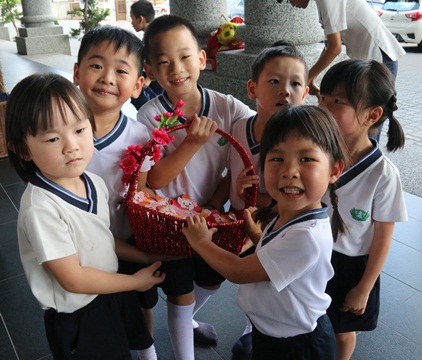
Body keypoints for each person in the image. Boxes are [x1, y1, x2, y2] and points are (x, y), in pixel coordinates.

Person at [5, 73, 165, 360]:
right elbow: (74, 280)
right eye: (53, 138)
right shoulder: (41, 209)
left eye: (79, 130)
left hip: (109, 290)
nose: (71, 146)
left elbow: (103, 237)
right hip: (78, 314)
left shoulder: (92, 181)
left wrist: (144, 256)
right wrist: (136, 282)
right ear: (22, 150)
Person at [182, 104, 348, 360]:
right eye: (277, 158)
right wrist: (260, 237)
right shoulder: (288, 214)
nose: (289, 171)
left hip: (296, 345)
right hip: (273, 332)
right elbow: (278, 263)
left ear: (334, 170)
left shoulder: (306, 236)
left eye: (306, 159)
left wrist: (201, 242)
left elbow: (238, 271)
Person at [137, 14, 255, 360]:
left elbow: (254, 132)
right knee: (180, 296)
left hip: (212, 218)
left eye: (185, 56)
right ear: (151, 71)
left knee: (212, 280)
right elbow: (154, 180)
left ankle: (188, 319)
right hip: (169, 224)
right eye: (164, 62)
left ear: (202, 58)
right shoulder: (150, 117)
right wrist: (189, 143)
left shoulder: (227, 106)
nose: (177, 68)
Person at [73, 26, 172, 354]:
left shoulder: (139, 136)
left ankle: (146, 351)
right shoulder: (63, 134)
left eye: (121, 70)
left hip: (128, 239)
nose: (107, 78)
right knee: (96, 310)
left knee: (141, 303)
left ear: (138, 85)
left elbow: (141, 192)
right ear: (76, 72)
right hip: (81, 247)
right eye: (97, 66)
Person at [318, 59, 408, 360]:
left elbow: (382, 238)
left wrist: (364, 287)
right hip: (313, 252)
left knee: (343, 331)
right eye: (323, 98)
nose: (324, 105)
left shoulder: (383, 174)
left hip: (350, 267)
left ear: (372, 115)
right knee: (311, 319)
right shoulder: (318, 152)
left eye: (337, 101)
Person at [228, 40, 309, 358]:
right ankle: (252, 328)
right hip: (243, 221)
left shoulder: (303, 141)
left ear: (305, 93)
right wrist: (237, 187)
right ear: (252, 89)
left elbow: (308, 196)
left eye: (294, 83)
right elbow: (229, 175)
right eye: (274, 81)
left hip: (281, 228)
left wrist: (269, 198)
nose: (284, 91)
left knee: (274, 284)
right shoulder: (238, 127)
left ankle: (264, 332)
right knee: (251, 284)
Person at [289, 0, 405, 97]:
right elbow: (330, 45)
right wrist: (310, 78)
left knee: (366, 119)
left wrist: (305, 79)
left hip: (379, 58)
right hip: (368, 60)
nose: (290, 3)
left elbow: (335, 48)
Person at [130, 0, 163, 110]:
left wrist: (149, 78)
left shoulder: (153, 35)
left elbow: (160, 58)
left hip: (155, 81)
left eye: (132, 18)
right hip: (153, 79)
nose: (131, 22)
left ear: (140, 19)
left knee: (153, 110)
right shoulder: (152, 33)